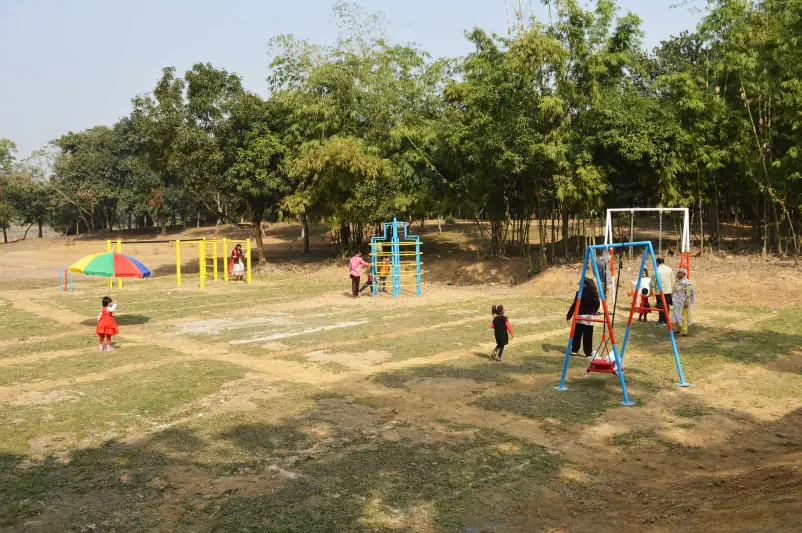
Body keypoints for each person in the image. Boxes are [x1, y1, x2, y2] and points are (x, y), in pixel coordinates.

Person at [566, 278, 601, 357]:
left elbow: (574, 305)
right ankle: (588, 353)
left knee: (577, 334)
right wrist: (594, 311)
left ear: (584, 285)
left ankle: (574, 350)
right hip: (589, 317)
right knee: (588, 336)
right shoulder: (594, 293)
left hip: (580, 316)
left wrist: (569, 315)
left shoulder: (579, 293)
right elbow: (597, 304)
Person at [671, 268, 695, 336]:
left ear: (684, 274)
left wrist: (687, 301)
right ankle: (678, 330)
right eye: (679, 273)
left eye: (681, 273)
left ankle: (684, 331)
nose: (679, 274)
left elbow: (688, 293)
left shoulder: (687, 283)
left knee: (683, 316)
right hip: (676, 302)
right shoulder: (677, 282)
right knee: (677, 315)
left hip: (683, 302)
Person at [651, 257, 674, 325]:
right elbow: (672, 279)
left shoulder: (656, 270)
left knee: (660, 306)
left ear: (657, 262)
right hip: (668, 290)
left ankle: (661, 320)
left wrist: (651, 289)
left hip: (660, 291)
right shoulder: (669, 269)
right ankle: (666, 320)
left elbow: (653, 281)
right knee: (666, 305)